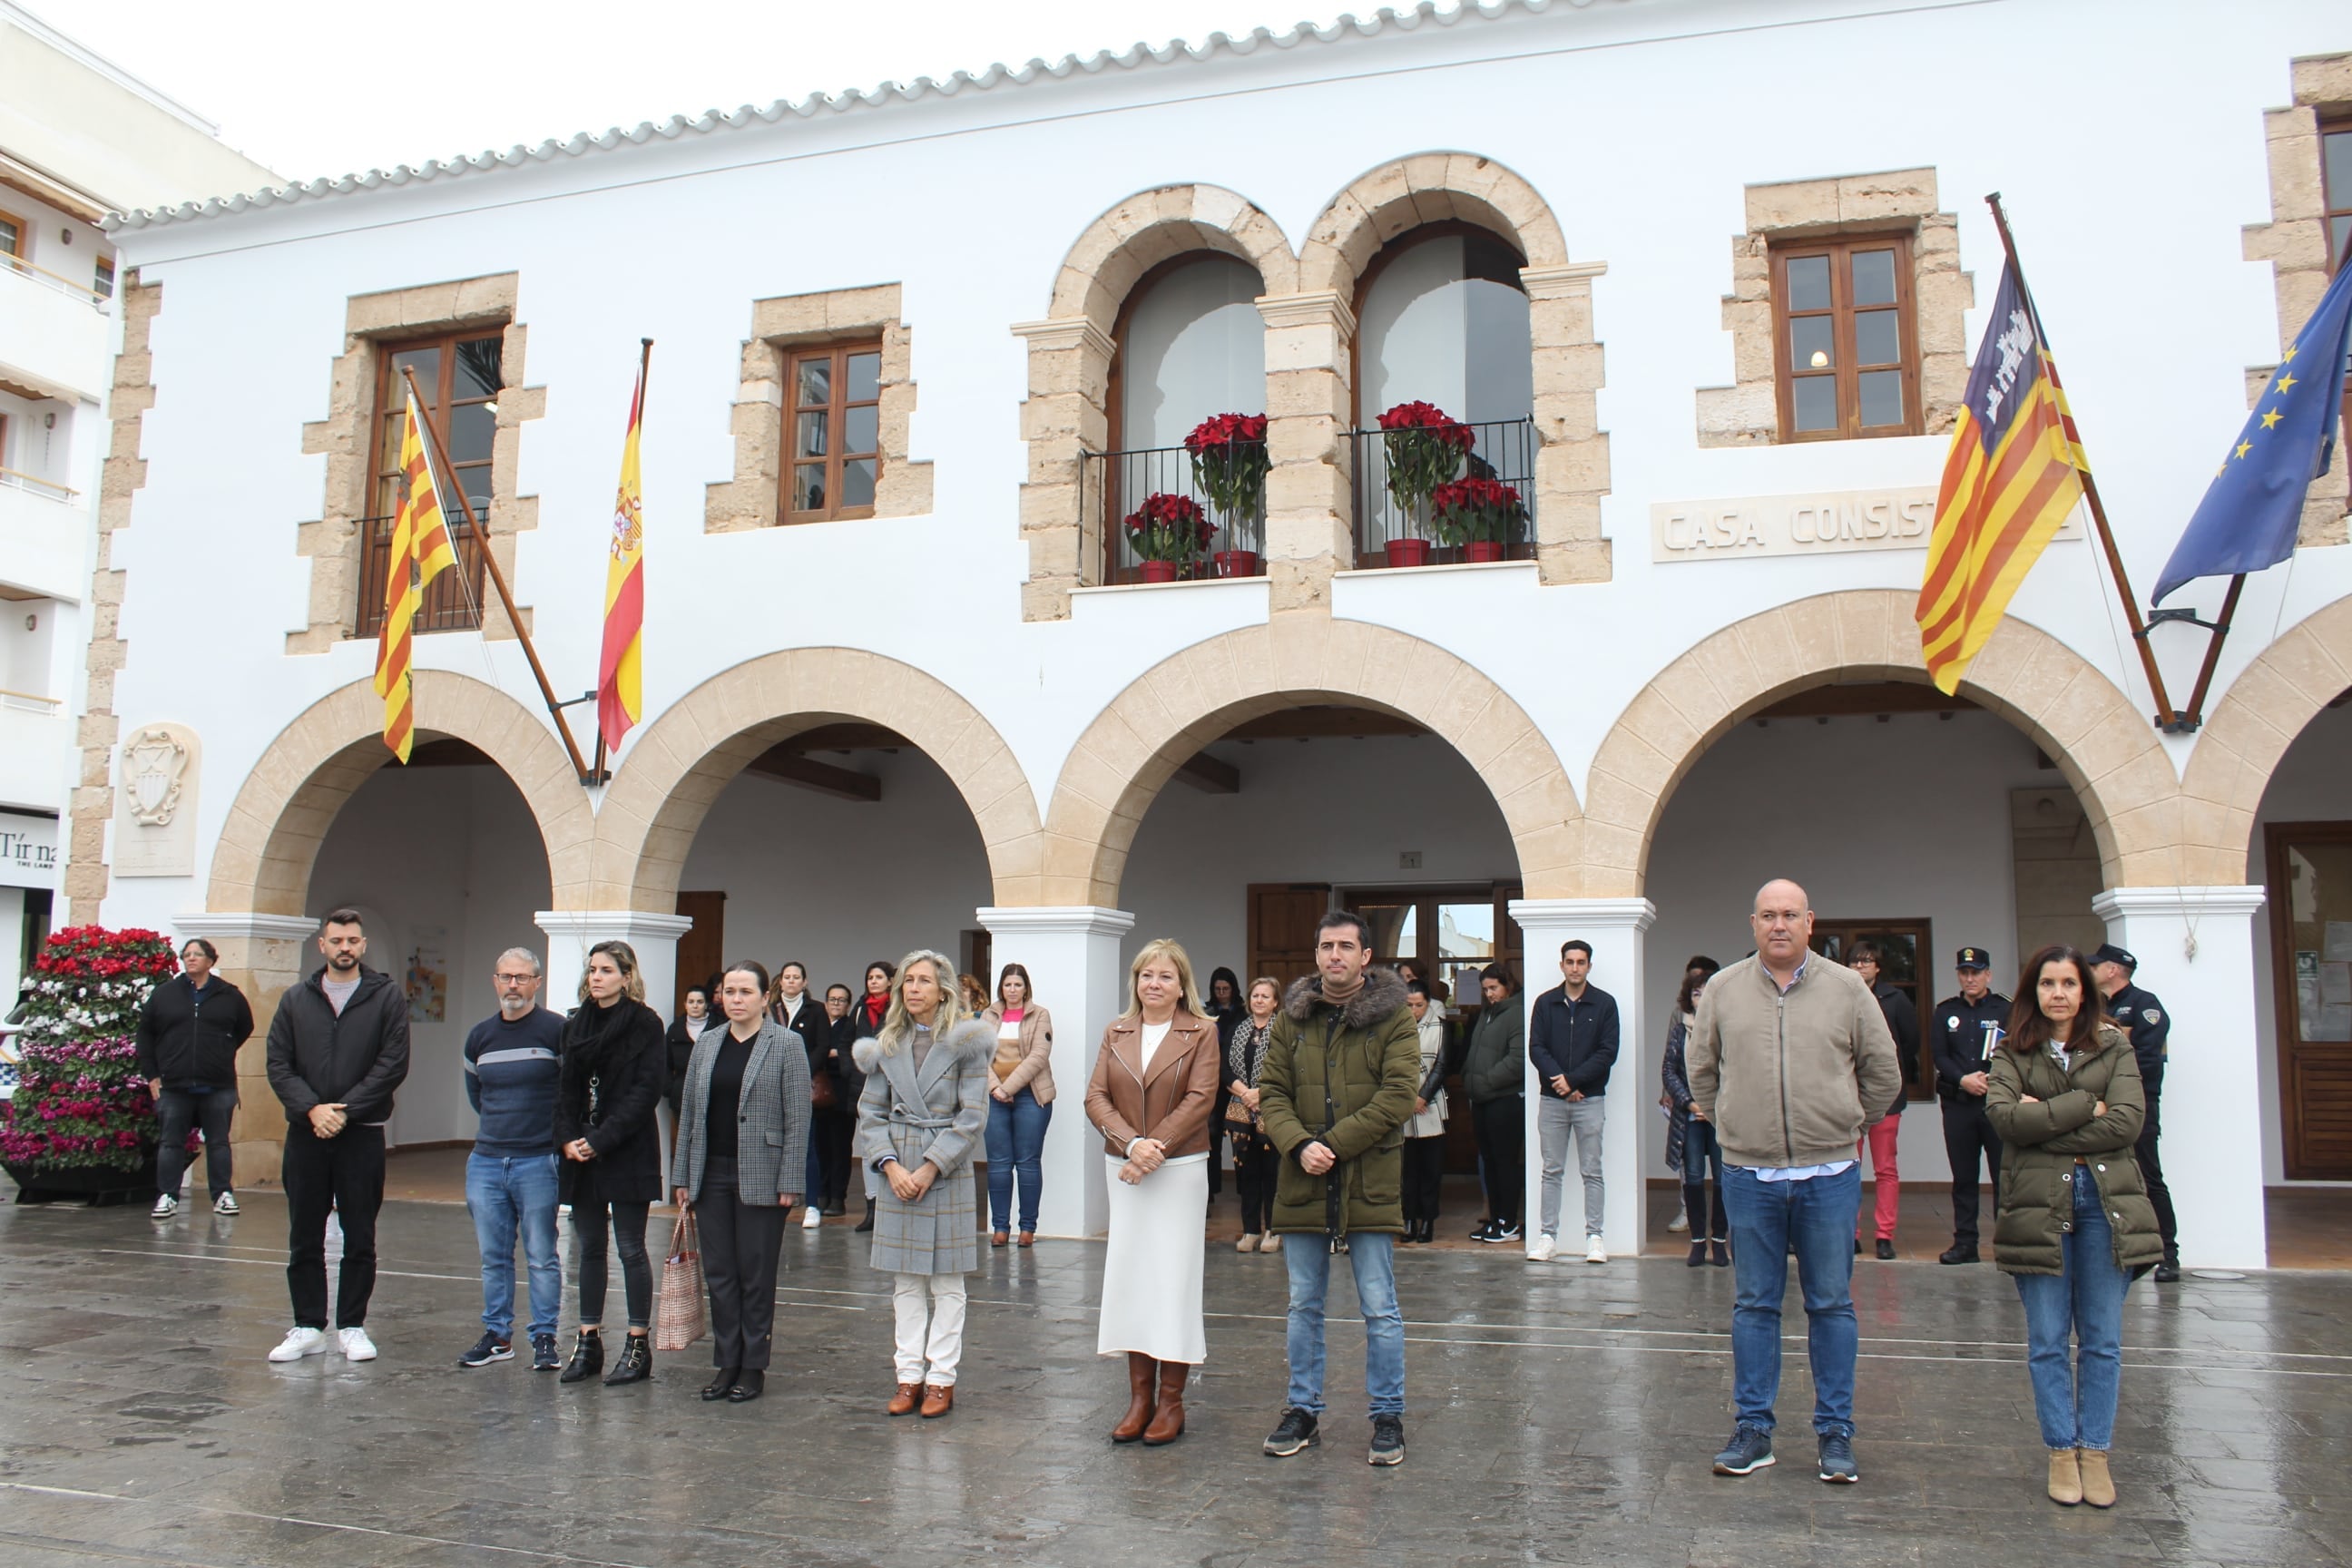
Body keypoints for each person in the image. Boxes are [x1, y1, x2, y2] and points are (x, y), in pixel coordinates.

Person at [1687, 879, 1900, 1485]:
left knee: (1831, 1304)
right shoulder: (1724, 990)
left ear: (1811, 922)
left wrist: (1848, 1123)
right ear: (1752, 924)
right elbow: (1700, 1072)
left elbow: (1883, 1071)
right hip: (1750, 1175)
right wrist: (1733, 1124)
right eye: (1768, 915)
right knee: (1754, 1305)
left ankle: (1836, 1434)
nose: (1779, 924)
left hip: (1828, 1175)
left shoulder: (1847, 987)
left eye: (1790, 915)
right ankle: (1753, 1430)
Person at [1984, 944, 2161, 1509]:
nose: (2057, 993)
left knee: (2103, 1341)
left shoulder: (2115, 1045)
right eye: (2046, 983)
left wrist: (2047, 1122)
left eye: (2068, 983)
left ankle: (2096, 1452)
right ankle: (2062, 1451)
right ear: (2033, 991)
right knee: (2047, 1340)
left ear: (2085, 990)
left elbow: (2130, 1124)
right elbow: (2006, 1119)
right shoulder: (2012, 1051)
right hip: (2039, 1206)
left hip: (2105, 1203)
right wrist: (2089, 1103)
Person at [1258, 911, 1421, 1468]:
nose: (1335, 956)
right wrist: (1301, 1145)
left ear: (1365, 956)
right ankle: (1302, 1409)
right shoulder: (1290, 1019)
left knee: (1380, 1305)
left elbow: (1399, 1095)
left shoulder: (1394, 1017)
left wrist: (1333, 1143)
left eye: (1346, 946)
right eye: (1326, 946)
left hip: (1369, 1179)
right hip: (1302, 1178)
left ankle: (1388, 1416)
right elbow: (1271, 1092)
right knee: (1304, 1303)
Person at [1084, 937, 1222, 1446]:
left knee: (1173, 1280)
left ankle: (1171, 1402)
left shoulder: (1201, 1032)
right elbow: (1095, 1096)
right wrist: (1131, 1144)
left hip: (1179, 1169)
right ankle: (1138, 1399)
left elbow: (1201, 1097)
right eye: (1146, 975)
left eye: (1165, 976)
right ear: (1135, 982)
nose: (1154, 984)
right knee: (1132, 1278)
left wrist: (1154, 1148)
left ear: (1182, 983)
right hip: (1125, 1171)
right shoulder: (1115, 1031)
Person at [263, 908, 410, 1365]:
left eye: (352, 940)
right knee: (303, 1233)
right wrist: (312, 1109)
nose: (344, 947)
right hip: (307, 1134)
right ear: (321, 945)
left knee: (359, 1233)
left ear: (363, 946)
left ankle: (352, 1326)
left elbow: (392, 1063)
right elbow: (278, 1063)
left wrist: (344, 1111)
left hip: (360, 1133)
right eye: (336, 940)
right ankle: (307, 1325)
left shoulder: (386, 997)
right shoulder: (295, 999)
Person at [852, 950, 991, 1418]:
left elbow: (972, 1117)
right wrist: (890, 1166)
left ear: (943, 989)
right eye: (907, 981)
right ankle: (908, 1376)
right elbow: (869, 1113)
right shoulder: (886, 1044)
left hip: (944, 1172)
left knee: (947, 1285)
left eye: (923, 981)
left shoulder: (967, 1043)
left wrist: (931, 1167)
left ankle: (941, 1379)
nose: (913, 988)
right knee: (906, 1284)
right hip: (898, 1171)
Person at [671, 959, 811, 1404]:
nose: (735, 1000)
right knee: (720, 1273)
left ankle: (753, 1366)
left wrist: (791, 1178)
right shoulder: (707, 1044)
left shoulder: (787, 1044)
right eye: (729, 992)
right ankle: (726, 1361)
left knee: (755, 1272)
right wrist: (682, 1176)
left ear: (765, 998)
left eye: (745, 992)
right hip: (710, 1172)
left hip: (763, 1174)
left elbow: (798, 1117)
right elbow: (690, 1114)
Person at [554, 939, 667, 1388]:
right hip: (581, 1150)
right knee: (589, 1248)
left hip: (625, 1148)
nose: (595, 977)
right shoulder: (575, 1023)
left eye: (604, 970)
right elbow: (563, 1088)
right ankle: (588, 1341)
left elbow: (645, 1091)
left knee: (630, 1247)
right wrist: (566, 1137)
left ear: (626, 976)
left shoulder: (645, 1023)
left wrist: (600, 1140)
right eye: (592, 969)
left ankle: (638, 1344)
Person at [457, 947, 565, 1372]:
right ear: (495, 981)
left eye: (521, 977)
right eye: (506, 977)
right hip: (486, 1160)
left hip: (538, 1159)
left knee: (541, 1254)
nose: (513, 986)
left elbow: (568, 1092)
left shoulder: (557, 1030)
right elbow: (476, 1093)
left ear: (537, 982)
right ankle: (498, 1335)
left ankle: (544, 1337)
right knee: (493, 1256)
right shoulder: (480, 1036)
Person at [138, 936, 254, 1218]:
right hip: (174, 1084)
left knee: (218, 1141)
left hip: (217, 1083)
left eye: (198, 954)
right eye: (187, 954)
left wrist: (218, 1053)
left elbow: (244, 1027)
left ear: (211, 961)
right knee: (170, 1142)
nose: (191, 958)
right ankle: (167, 1195)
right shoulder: (165, 994)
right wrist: (152, 1074)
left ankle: (222, 1194)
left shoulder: (230, 995)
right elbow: (145, 1033)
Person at [1528, 939, 1620, 1264]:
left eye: (1581, 962)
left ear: (1589, 966)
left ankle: (1595, 1237)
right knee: (1551, 1170)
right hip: (1552, 1101)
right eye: (1570, 962)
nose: (1575, 967)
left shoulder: (1604, 1004)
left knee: (1592, 1170)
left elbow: (1608, 1052)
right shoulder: (1545, 1003)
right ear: (1562, 965)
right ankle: (1546, 1237)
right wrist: (1564, 1084)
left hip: (1590, 1099)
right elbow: (1536, 1049)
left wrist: (1575, 1081)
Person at [2092, 943, 2178, 1282]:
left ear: (2113, 969)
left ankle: (2168, 1254)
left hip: (2136, 1107)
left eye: (2097, 965)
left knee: (2147, 1177)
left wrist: (2110, 1083)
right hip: (2101, 1109)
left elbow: (2148, 1059)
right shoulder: (2097, 1007)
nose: (2092, 969)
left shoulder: (2144, 1005)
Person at [1933, 946, 2011, 1265]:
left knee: (2003, 1177)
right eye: (1964, 973)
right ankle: (1966, 1243)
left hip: (1996, 1104)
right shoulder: (1945, 1011)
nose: (1970, 978)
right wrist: (1963, 1079)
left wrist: (1992, 1080)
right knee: (1964, 1177)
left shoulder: (2006, 1009)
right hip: (1959, 1104)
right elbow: (1939, 1055)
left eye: (1976, 972)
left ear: (1988, 974)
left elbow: (2017, 1051)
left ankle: (2007, 1243)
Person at [1847, 941, 1919, 1261]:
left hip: (1886, 1098)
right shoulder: (1841, 997)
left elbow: (1911, 1041)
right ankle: (1850, 1233)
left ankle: (1884, 1235)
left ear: (1878, 967)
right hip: (1848, 1098)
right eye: (1855, 962)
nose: (1861, 967)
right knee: (1849, 1168)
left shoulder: (1895, 999)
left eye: (1867, 962)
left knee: (1885, 1168)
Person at [982, 962, 1055, 1248]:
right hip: (994, 1096)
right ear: (1001, 987)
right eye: (1007, 984)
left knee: (1027, 1163)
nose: (1012, 990)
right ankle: (1000, 1227)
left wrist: (1009, 1087)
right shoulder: (988, 1015)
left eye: (1018, 984)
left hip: (1030, 1096)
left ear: (1026, 988)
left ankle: (1028, 1228)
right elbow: (979, 1054)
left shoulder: (1040, 1015)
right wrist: (995, 1088)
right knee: (999, 1164)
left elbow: (1039, 1055)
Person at [1661, 962, 1729, 1268]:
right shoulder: (1680, 1029)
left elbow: (1734, 1069)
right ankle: (1698, 1243)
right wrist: (1690, 1103)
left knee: (1724, 1180)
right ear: (1689, 998)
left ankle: (1720, 1243)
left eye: (1706, 992)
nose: (1702, 998)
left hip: (1720, 1117)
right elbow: (1670, 1070)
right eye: (1696, 993)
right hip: (1689, 1116)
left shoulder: (1726, 1028)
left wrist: (1713, 1105)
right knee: (1694, 1179)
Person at [1459, 965, 1525, 1244]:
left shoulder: (1517, 1014)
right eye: (1485, 989)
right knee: (1490, 1163)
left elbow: (1517, 1060)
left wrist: (1485, 1082)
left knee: (1505, 1163)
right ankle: (1495, 1220)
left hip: (1504, 1101)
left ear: (1507, 986)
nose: (1489, 994)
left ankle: (1508, 1222)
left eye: (1494, 988)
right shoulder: (1486, 1014)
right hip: (1483, 1101)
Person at [769, 962, 829, 1232]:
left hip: (804, 1084)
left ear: (804, 982)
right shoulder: (769, 1008)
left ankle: (812, 1204)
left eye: (796, 977)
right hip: (771, 1083)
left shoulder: (816, 1009)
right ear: (780, 981)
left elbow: (822, 1044)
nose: (791, 981)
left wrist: (802, 1068)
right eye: (787, 977)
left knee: (807, 1146)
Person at [1224, 976, 1283, 1253]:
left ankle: (1273, 1230)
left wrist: (1261, 1093)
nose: (1259, 1000)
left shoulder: (1283, 1031)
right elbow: (1224, 1067)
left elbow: (1289, 1068)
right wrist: (1245, 1093)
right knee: (1246, 1173)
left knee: (1273, 1172)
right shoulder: (1238, 1030)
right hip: (1240, 1109)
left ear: (1276, 1002)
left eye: (1265, 996)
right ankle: (1250, 1231)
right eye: (1255, 996)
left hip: (1272, 1108)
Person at [1400, 979, 1449, 1245]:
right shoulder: (1395, 1029)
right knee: (1408, 1170)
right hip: (1403, 1105)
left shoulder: (1440, 1027)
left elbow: (1442, 1065)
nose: (1414, 1010)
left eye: (1419, 1005)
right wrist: (1409, 1097)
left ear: (1428, 1004)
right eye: (1409, 1005)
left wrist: (1422, 1097)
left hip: (1431, 1106)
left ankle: (1428, 1220)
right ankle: (1408, 1219)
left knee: (1431, 1168)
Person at [850, 961, 895, 1234]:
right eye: (870, 977)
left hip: (893, 1086)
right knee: (868, 1148)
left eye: (879, 977)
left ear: (890, 980)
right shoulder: (859, 1009)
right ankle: (872, 1208)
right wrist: (851, 1068)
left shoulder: (899, 1008)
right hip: (863, 1084)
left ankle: (891, 1210)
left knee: (893, 1147)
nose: (873, 982)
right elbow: (847, 1043)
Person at [1204, 966, 1244, 1203]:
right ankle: (1211, 1192)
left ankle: (1244, 1191)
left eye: (1225, 989)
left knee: (1241, 1139)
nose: (1221, 993)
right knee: (1212, 1137)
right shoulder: (1208, 1013)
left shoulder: (1244, 1013)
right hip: (1213, 1082)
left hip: (1237, 1081)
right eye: (1217, 989)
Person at [821, 983, 860, 1216]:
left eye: (841, 1000)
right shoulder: (821, 1025)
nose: (836, 1004)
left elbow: (848, 1052)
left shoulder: (849, 1026)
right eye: (833, 999)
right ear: (826, 1003)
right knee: (821, 1147)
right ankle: (821, 1194)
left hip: (843, 1095)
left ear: (848, 1005)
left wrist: (836, 1053)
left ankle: (837, 1197)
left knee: (840, 1148)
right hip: (819, 1095)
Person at [663, 985, 715, 1122]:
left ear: (707, 1004)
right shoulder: (675, 1030)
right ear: (685, 1005)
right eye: (691, 1002)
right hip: (681, 1097)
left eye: (700, 1002)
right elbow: (665, 1063)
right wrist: (670, 1089)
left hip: (713, 1095)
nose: (695, 1006)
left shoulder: (718, 1028)